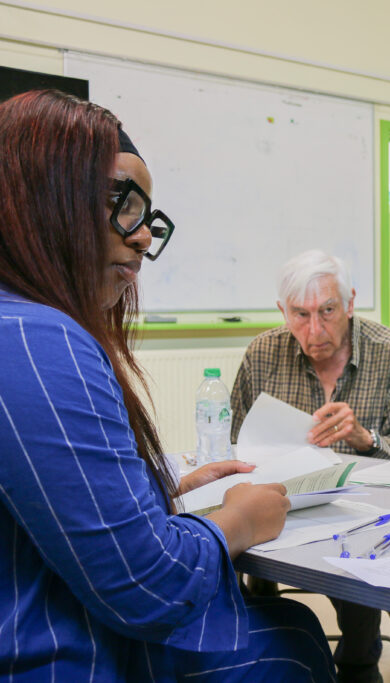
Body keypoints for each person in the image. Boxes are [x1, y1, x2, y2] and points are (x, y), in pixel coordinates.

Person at [0, 90, 334, 681]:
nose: (142, 237)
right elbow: (147, 590)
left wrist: (162, 496)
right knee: (292, 643)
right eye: (124, 205)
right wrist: (239, 520)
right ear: (41, 194)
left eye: (148, 217)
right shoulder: (39, 340)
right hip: (60, 660)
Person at [230, 249, 390, 683]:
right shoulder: (263, 354)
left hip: (370, 509)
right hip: (283, 504)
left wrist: (366, 439)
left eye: (327, 311)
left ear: (351, 303)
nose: (315, 330)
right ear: (282, 311)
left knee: (356, 550)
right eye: (300, 315)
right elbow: (237, 445)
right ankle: (265, 643)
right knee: (230, 536)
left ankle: (360, 665)